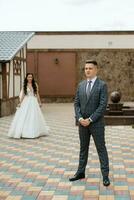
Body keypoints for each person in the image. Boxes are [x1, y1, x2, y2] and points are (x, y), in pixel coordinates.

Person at [69, 60, 110, 186]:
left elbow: (102, 106)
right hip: (82, 124)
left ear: (96, 69)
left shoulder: (102, 85)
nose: (87, 70)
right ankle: (80, 172)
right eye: (86, 68)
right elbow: (76, 103)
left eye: (90, 68)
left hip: (96, 123)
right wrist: (80, 118)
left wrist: (90, 119)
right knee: (83, 149)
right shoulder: (81, 85)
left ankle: (105, 176)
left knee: (101, 149)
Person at [8, 73, 49, 139]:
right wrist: (20, 103)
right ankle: (23, 131)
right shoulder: (25, 85)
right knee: (24, 115)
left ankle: (35, 131)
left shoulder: (35, 84)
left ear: (32, 78)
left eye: (31, 77)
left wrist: (39, 102)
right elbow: (23, 95)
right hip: (26, 101)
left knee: (33, 115)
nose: (30, 78)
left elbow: (37, 94)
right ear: (26, 78)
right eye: (28, 77)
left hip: (33, 101)